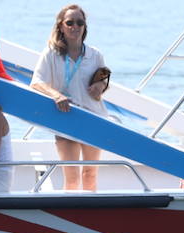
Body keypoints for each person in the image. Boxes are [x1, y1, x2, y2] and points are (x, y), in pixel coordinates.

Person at [31, 5, 108, 191]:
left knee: (90, 174)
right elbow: (36, 82)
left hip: (93, 117)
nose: (75, 26)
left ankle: (91, 217)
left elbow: (104, 79)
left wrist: (99, 86)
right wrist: (56, 95)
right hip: (66, 117)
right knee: (71, 177)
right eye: (70, 22)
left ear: (85, 27)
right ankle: (74, 215)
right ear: (61, 26)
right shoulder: (51, 53)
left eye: (80, 22)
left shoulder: (94, 54)